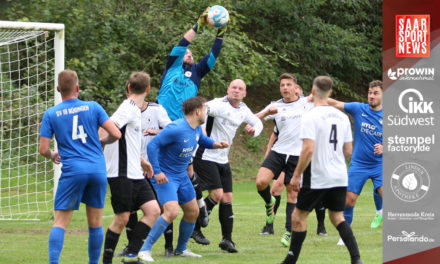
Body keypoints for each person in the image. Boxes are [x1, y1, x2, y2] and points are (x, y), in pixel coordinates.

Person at [156, 8, 228, 247]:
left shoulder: (197, 72)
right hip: (163, 124)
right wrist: (198, 24)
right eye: (185, 52)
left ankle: (197, 207)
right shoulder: (172, 66)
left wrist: (220, 34)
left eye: (190, 53)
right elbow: (183, 41)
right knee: (167, 177)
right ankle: (196, 208)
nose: (187, 53)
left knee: (187, 172)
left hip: (186, 127)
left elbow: (213, 56)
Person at [39, 70, 121, 264]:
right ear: (77, 88)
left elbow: (43, 149)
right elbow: (116, 134)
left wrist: (52, 154)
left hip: (73, 171)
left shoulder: (51, 114)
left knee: (60, 222)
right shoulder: (93, 107)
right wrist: (103, 140)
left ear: (59, 89)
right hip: (97, 170)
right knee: (95, 224)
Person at [281, 76, 362, 264]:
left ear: (313, 91)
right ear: (330, 93)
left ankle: (290, 261)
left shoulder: (310, 116)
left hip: (317, 176)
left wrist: (296, 175)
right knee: (337, 217)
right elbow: (348, 150)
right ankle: (356, 259)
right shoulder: (342, 117)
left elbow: (308, 149)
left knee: (298, 216)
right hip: (339, 176)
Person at [138, 96, 229, 262]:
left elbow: (201, 140)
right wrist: (157, 171)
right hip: (166, 176)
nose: (206, 113)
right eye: (205, 110)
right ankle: (144, 250)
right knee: (171, 211)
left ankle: (181, 249)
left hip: (182, 176)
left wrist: (216, 144)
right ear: (197, 111)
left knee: (193, 212)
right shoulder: (176, 128)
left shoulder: (195, 128)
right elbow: (152, 145)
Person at [191, 79, 263, 252]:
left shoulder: (243, 110)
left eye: (240, 89)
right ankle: (194, 227)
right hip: (206, 154)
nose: (236, 91)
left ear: (244, 93)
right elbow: (203, 108)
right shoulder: (219, 104)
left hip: (223, 158)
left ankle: (227, 240)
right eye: (234, 88)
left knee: (227, 198)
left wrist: (254, 131)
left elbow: (258, 122)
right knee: (216, 194)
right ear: (228, 89)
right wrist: (202, 129)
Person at [102, 72, 161, 264]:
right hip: (121, 173)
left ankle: (131, 256)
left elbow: (128, 141)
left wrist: (142, 160)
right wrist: (99, 146)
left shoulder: (133, 108)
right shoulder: (127, 108)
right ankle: (106, 261)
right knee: (122, 219)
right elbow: (106, 128)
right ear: (148, 89)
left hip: (135, 172)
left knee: (153, 210)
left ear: (128, 87)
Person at [255, 73, 314, 247]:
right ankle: (269, 203)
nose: (285, 88)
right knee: (261, 182)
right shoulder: (275, 106)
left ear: (296, 88)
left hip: (297, 155)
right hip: (279, 151)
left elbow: (323, 98)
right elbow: (254, 118)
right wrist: (265, 114)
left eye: (289, 85)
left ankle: (288, 231)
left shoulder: (306, 103)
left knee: (292, 193)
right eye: (282, 85)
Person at [114, 93, 173, 258]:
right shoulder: (126, 110)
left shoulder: (156, 109)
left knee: (162, 207)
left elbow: (171, 130)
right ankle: (131, 247)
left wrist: (155, 131)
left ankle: (169, 247)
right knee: (131, 209)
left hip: (154, 166)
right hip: (133, 167)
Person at [327, 80, 383, 245]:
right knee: (349, 200)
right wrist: (318, 97)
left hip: (380, 165)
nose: (371, 96)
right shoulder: (360, 109)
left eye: (375, 93)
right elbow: (336, 103)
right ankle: (345, 236)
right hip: (359, 164)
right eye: (370, 93)